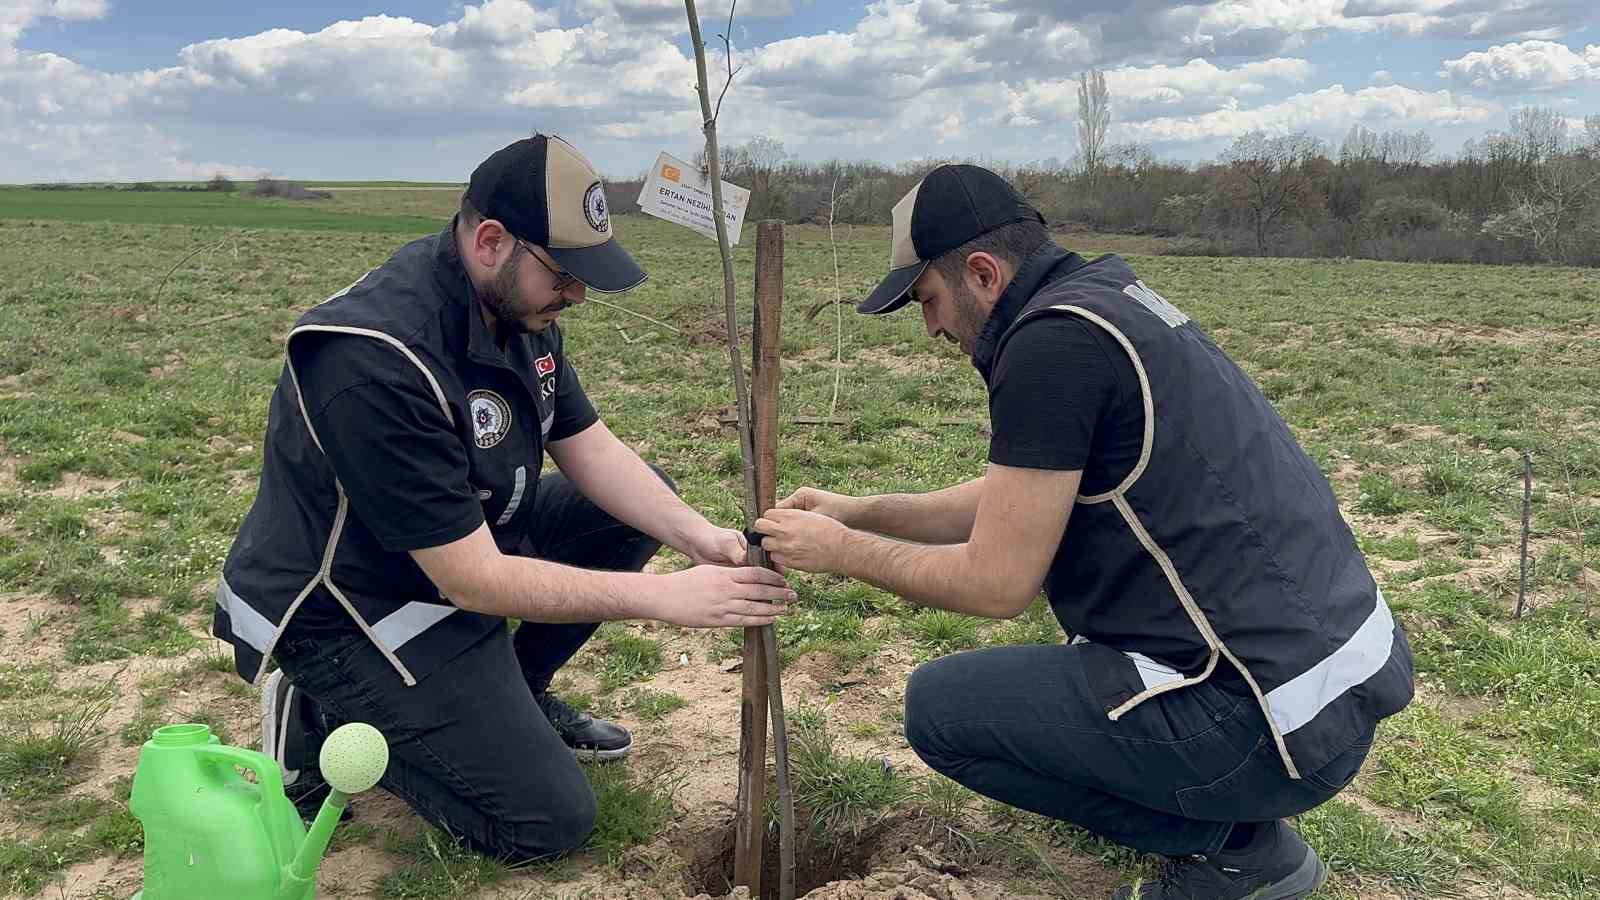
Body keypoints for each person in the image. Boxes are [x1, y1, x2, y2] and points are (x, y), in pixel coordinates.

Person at [754, 164, 1413, 900]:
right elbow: (1022, 497)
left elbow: (996, 584)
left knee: (940, 712)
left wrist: (842, 552)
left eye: (928, 299)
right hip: (1326, 692)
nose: (932, 326)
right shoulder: (1107, 301)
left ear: (983, 274)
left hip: (1264, 723)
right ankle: (1233, 818)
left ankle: (1236, 851)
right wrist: (861, 510)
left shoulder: (1051, 347)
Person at [212, 134, 794, 862]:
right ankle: (326, 712)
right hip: (351, 607)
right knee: (545, 822)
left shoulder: (517, 311)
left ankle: (515, 692)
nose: (577, 295)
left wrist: (699, 538)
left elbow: (590, 447)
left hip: (456, 548)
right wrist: (665, 598)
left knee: (634, 509)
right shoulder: (374, 359)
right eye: (565, 275)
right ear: (491, 242)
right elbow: (474, 580)